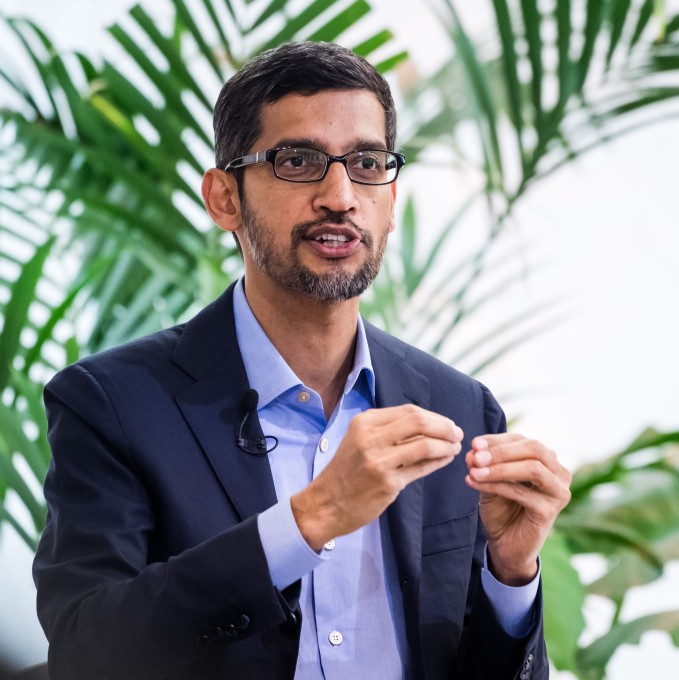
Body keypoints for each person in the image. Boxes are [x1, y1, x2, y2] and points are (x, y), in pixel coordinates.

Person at [32, 41, 571, 680]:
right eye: (298, 161)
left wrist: (511, 578)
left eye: (368, 163)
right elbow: (85, 651)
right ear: (223, 198)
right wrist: (308, 520)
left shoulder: (459, 406)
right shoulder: (114, 403)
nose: (340, 195)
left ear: (392, 201)